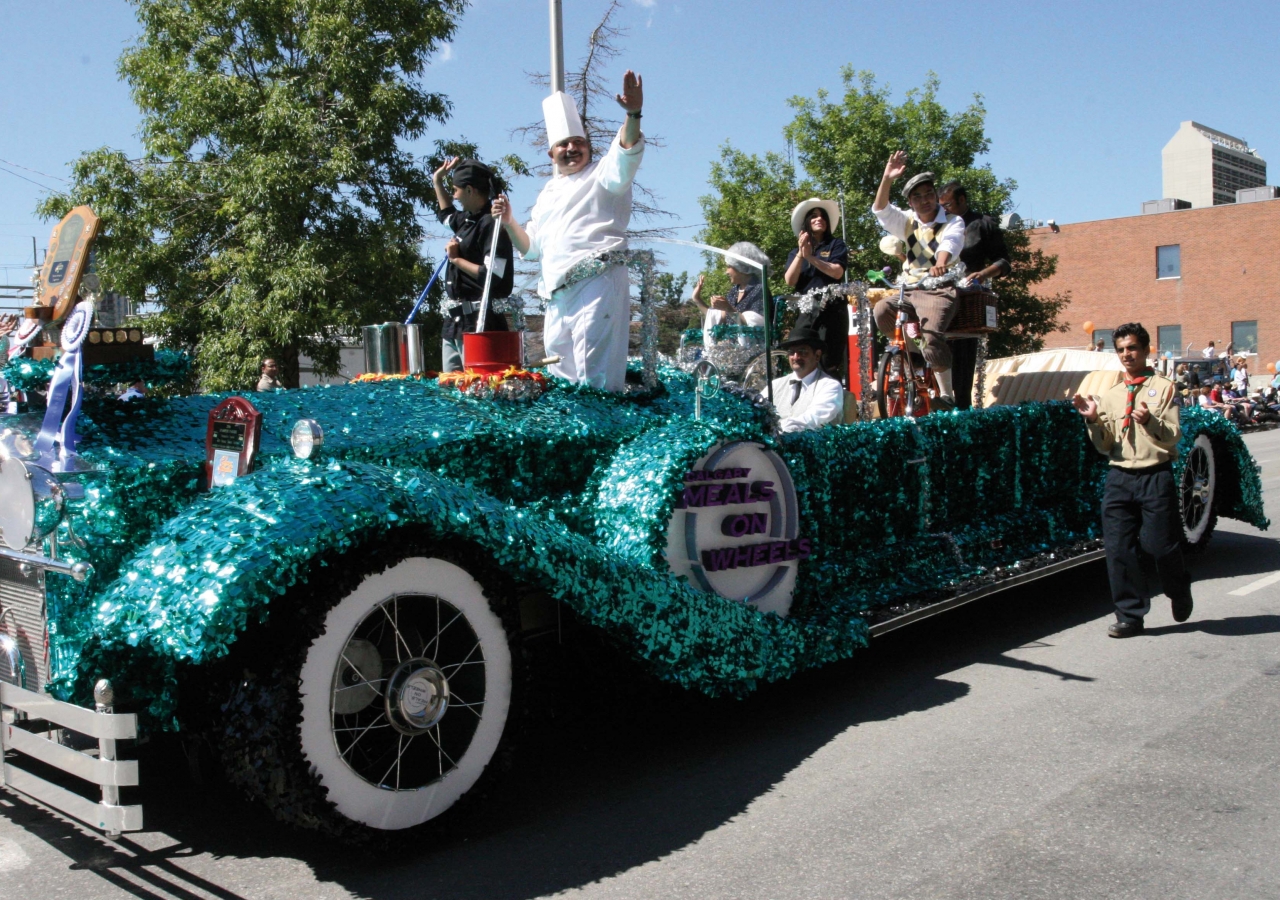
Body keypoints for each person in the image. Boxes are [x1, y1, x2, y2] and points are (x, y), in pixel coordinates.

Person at [493, 71, 644, 392]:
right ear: (552, 153)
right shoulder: (547, 194)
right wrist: (508, 221)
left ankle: (603, 436)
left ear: (588, 147)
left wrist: (633, 115)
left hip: (598, 282)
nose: (572, 148)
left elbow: (626, 151)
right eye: (564, 144)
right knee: (560, 374)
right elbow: (531, 247)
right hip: (557, 296)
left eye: (578, 142)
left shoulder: (603, 174)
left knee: (595, 374)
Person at [1072, 322, 1193, 638]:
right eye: (1121, 349)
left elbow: (1172, 437)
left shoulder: (1165, 387)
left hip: (1155, 475)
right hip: (1120, 477)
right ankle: (1130, 616)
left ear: (1145, 349)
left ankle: (1179, 589)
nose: (1127, 354)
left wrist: (1150, 421)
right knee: (1118, 548)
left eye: (1132, 348)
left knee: (1158, 545)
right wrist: (1094, 419)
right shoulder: (1110, 395)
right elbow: (1105, 445)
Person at [871, 152, 966, 410]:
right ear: (911, 203)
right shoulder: (907, 222)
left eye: (928, 194)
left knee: (932, 336)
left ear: (936, 196)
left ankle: (946, 395)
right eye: (917, 197)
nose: (924, 201)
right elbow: (880, 209)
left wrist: (940, 263)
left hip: (938, 289)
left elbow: (951, 243)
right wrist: (887, 177)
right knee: (881, 310)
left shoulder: (952, 221)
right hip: (910, 288)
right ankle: (912, 354)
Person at [432, 157, 513, 373]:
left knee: (477, 390)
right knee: (451, 392)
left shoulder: (492, 225)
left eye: (456, 190)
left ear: (469, 190)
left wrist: (456, 259)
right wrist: (437, 181)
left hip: (481, 325)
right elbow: (446, 214)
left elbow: (494, 278)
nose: (454, 196)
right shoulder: (467, 220)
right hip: (454, 325)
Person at [938, 180, 1012, 409]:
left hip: (967, 298)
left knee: (962, 357)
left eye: (948, 204)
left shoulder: (983, 224)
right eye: (941, 205)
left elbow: (1005, 261)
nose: (944, 209)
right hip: (937, 292)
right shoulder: (936, 224)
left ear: (962, 200)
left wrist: (982, 274)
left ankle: (961, 410)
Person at [785, 198, 849, 382]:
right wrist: (801, 254)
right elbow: (790, 280)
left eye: (822, 216)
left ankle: (833, 402)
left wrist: (811, 258)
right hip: (806, 311)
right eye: (813, 216)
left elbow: (837, 272)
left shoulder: (836, 244)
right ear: (806, 222)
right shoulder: (796, 252)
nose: (818, 219)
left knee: (827, 360)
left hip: (832, 310)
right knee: (802, 351)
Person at [690, 242, 769, 348]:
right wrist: (697, 299)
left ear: (742, 267)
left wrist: (728, 308)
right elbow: (719, 317)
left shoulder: (760, 290)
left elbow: (755, 326)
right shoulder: (734, 291)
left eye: (729, 267)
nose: (726, 272)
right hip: (734, 350)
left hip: (754, 351)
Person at [770, 326, 843, 432]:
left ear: (817, 355)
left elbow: (814, 419)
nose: (795, 357)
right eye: (791, 352)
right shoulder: (775, 385)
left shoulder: (829, 386)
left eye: (802, 352)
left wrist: (779, 429)